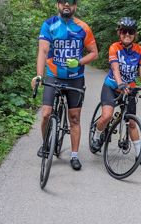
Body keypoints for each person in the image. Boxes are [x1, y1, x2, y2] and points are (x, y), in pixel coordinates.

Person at [32, 0, 98, 170]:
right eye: (63, 2)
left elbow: (94, 53)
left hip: (75, 77)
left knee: (74, 118)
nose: (66, 5)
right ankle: (46, 143)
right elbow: (43, 51)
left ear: (76, 6)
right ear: (58, 5)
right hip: (54, 76)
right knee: (46, 114)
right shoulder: (49, 25)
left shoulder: (83, 27)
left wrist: (79, 62)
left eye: (71, 2)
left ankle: (74, 155)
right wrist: (39, 75)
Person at [90, 17, 141, 166]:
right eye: (124, 31)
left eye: (131, 32)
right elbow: (115, 68)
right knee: (107, 116)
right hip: (112, 87)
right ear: (119, 33)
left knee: (131, 122)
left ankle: (139, 154)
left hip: (129, 90)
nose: (127, 34)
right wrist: (120, 83)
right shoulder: (114, 47)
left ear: (135, 34)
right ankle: (97, 135)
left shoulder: (140, 50)